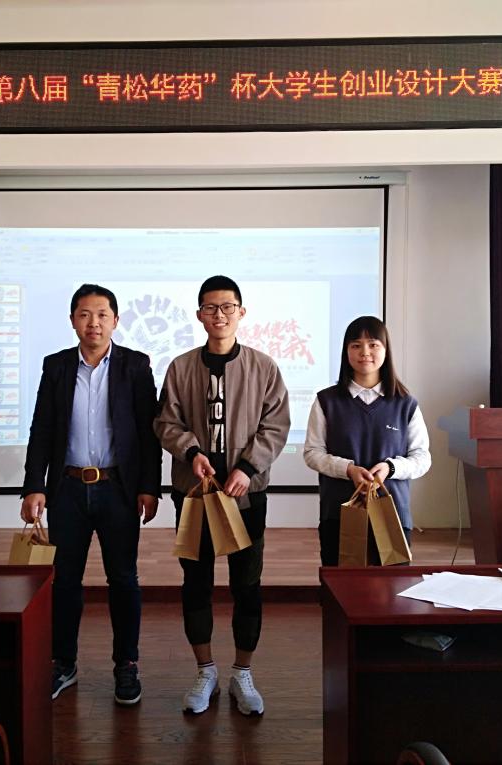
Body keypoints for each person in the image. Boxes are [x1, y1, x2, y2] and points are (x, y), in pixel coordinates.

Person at [154, 275, 290, 717]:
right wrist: (191, 452)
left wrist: (247, 468)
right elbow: (165, 422)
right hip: (193, 494)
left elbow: (276, 425)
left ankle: (243, 673)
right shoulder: (180, 367)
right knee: (196, 582)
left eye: (227, 306)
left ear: (241, 312)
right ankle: (205, 670)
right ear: (199, 315)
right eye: (211, 307)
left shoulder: (264, 367)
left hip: (246, 495)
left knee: (246, 584)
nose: (219, 314)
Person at [20, 284, 161, 705]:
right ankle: (63, 663)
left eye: (101, 315)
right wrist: (34, 485)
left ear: (115, 320)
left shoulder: (136, 365)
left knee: (124, 579)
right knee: (64, 581)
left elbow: (149, 433)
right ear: (72, 320)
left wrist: (149, 487)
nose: (93, 323)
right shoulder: (57, 366)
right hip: (67, 489)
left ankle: (126, 665)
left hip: (118, 489)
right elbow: (41, 429)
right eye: (84, 314)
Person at [303, 315, 431, 566]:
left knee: (393, 586)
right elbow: (312, 453)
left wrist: (390, 468)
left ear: (386, 350)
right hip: (339, 514)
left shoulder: (405, 403)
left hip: (392, 515)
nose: (365, 352)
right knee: (341, 583)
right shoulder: (327, 401)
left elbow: (422, 457)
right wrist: (348, 469)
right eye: (356, 345)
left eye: (373, 344)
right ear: (346, 351)